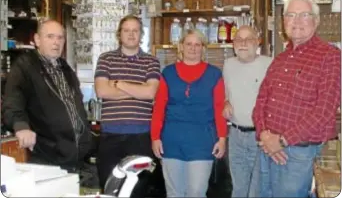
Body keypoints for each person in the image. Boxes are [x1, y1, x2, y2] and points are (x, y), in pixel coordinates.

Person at [252, 0, 341, 197]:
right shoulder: (280, 59)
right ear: (284, 22)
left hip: (298, 154)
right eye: (290, 15)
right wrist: (264, 135)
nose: (296, 21)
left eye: (304, 15)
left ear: (316, 21)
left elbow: (324, 111)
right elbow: (261, 101)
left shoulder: (330, 56)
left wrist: (281, 141)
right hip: (267, 149)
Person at [3, 20, 92, 172]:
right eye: (50, 37)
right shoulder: (25, 66)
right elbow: (13, 100)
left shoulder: (65, 68)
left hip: (76, 156)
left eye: (60, 38)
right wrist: (21, 127)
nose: (56, 42)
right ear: (37, 40)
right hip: (47, 156)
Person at [151, 29, 227, 197]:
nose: (193, 48)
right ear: (181, 47)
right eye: (189, 44)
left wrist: (222, 138)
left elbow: (219, 107)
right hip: (171, 141)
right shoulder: (168, 73)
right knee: (174, 193)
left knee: (197, 192)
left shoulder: (214, 74)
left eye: (197, 44)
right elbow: (159, 108)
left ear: (203, 48)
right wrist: (155, 137)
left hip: (202, 141)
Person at [94, 15, 160, 191]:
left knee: (138, 190)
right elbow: (102, 91)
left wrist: (118, 84)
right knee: (109, 188)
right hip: (110, 137)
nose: (131, 34)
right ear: (119, 34)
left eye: (135, 30)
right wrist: (137, 90)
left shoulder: (151, 61)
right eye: (126, 30)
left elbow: (150, 92)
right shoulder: (105, 59)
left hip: (141, 137)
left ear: (141, 34)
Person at [222, 25, 272, 198]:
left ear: (257, 42)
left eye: (248, 39)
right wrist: (226, 102)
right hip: (235, 135)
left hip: (259, 137)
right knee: (238, 189)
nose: (243, 44)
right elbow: (225, 94)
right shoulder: (228, 65)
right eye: (238, 39)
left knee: (257, 191)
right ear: (233, 44)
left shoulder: (270, 64)